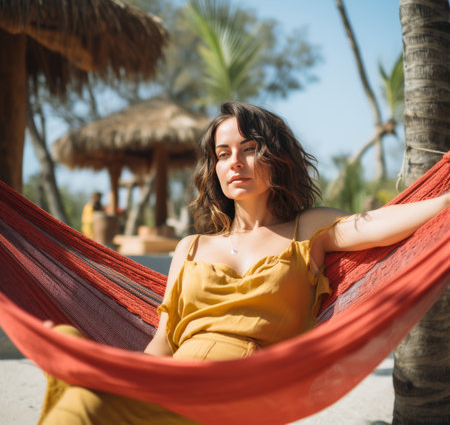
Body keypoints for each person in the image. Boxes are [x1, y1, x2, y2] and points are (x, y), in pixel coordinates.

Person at [39, 102, 449, 424]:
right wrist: (129, 377)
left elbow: (380, 223)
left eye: (249, 149)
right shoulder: (191, 247)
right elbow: (164, 342)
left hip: (241, 392)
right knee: (72, 367)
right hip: (172, 383)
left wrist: (446, 200)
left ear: (276, 157)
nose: (234, 162)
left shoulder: (307, 229)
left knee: (82, 408)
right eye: (222, 153)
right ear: (214, 168)